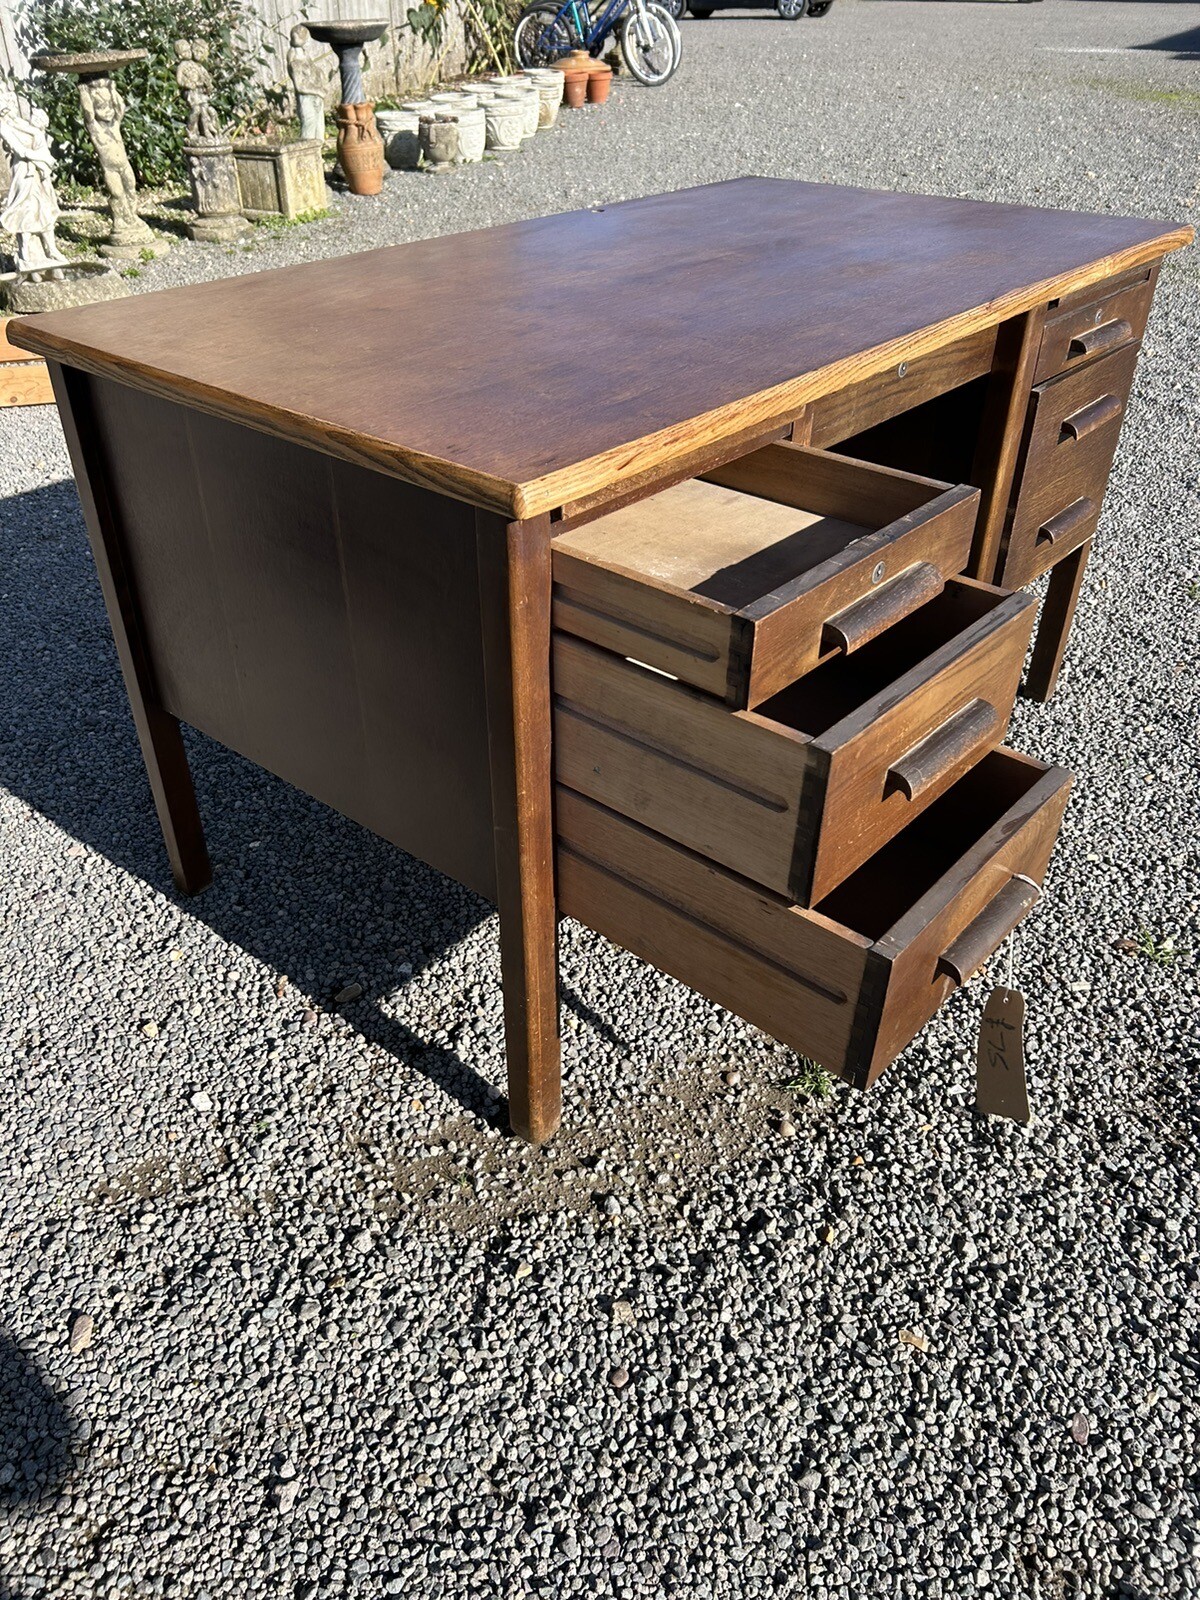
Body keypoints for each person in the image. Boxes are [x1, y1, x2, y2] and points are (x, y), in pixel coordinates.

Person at [0, 83, 67, 276]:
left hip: (38, 171)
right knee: (26, 208)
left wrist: (43, 159)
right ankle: (25, 253)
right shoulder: (4, 126)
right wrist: (44, 158)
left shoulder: (19, 122)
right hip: (24, 170)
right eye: (7, 104)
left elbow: (37, 134)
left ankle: (51, 249)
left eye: (11, 103)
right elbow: (21, 151)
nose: (11, 107)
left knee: (45, 207)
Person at [288, 25, 328, 143]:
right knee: (309, 125)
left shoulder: (305, 56)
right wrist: (318, 91)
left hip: (316, 96)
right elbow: (299, 86)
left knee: (319, 127)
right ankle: (306, 156)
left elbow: (314, 71)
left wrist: (320, 78)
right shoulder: (295, 62)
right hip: (307, 97)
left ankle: (318, 154)